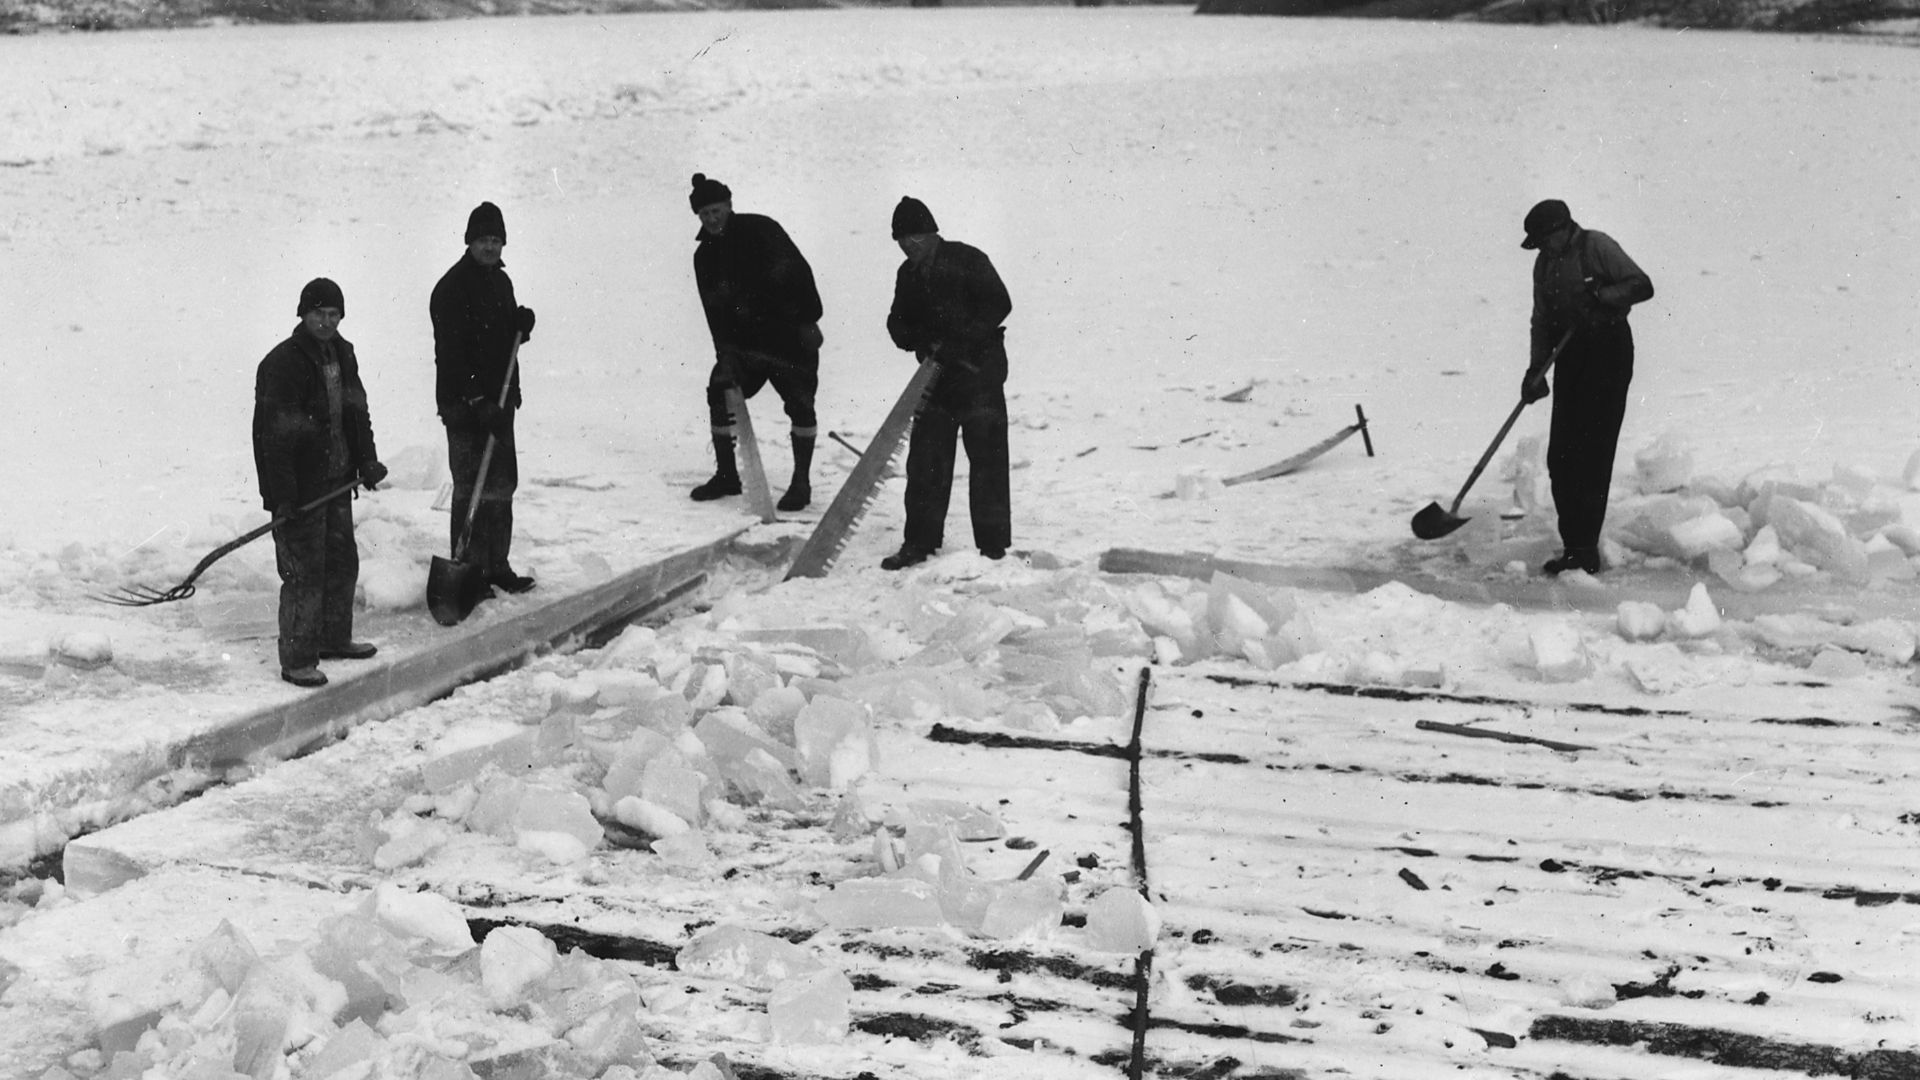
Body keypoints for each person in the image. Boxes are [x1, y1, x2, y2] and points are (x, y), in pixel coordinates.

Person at [252, 278, 388, 688]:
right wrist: (282, 497)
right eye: (318, 314)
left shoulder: (342, 354)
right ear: (303, 314)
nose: (326, 322)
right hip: (302, 490)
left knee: (342, 563)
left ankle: (333, 638)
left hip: (337, 479)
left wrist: (366, 459)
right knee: (304, 573)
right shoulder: (283, 363)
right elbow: (272, 438)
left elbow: (356, 410)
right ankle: (297, 659)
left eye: (333, 315)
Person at [1518, 198, 1654, 576]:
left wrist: (1600, 297)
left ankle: (1584, 550)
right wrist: (1536, 370)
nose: (1542, 248)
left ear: (1563, 230)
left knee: (1591, 456)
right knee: (1561, 457)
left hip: (1607, 353)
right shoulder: (1544, 264)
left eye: (1545, 240)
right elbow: (1542, 320)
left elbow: (1642, 285)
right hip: (1571, 355)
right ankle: (1572, 545)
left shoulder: (1597, 246)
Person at [879, 196, 1013, 571]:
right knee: (925, 462)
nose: (908, 246)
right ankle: (918, 542)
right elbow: (897, 322)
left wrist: (962, 339)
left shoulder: (969, 259)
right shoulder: (907, 274)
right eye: (902, 240)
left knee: (987, 460)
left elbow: (999, 304)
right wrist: (916, 338)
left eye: (915, 238)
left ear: (932, 233)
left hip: (978, 374)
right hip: (936, 379)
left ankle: (993, 549)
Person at [688, 173, 825, 511]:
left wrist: (809, 319)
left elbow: (799, 273)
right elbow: (714, 311)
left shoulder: (762, 230)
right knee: (719, 392)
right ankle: (727, 476)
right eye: (704, 214)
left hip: (789, 339)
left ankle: (801, 482)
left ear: (729, 205)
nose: (711, 219)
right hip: (746, 347)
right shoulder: (703, 256)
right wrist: (725, 355)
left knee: (800, 404)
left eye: (716, 211)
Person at [431, 200, 537, 596]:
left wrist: (520, 326)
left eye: (496, 240)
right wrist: (478, 401)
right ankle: (471, 571)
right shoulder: (451, 288)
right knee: (471, 485)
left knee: (501, 484)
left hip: (499, 403)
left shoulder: (499, 281)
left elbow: (501, 343)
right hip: (466, 407)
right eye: (483, 240)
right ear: (469, 242)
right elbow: (453, 355)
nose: (490, 247)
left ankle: (497, 565)